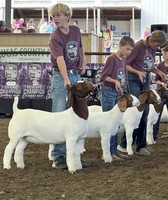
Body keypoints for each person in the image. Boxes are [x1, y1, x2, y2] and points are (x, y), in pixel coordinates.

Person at [48, 3, 86, 169]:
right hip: (61, 75)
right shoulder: (55, 37)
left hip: (75, 73)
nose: (55, 19)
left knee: (76, 113)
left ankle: (74, 153)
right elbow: (60, 59)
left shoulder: (76, 31)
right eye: (53, 16)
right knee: (59, 113)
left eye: (58, 15)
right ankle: (58, 155)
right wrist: (65, 78)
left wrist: (83, 62)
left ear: (67, 16)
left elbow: (80, 48)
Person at [117, 30, 167, 156]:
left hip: (144, 78)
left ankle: (140, 145)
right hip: (134, 79)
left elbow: (148, 66)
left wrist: (157, 71)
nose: (157, 48)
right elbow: (126, 64)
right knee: (135, 111)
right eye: (157, 45)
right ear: (152, 41)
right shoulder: (138, 46)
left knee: (143, 112)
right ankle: (126, 144)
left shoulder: (151, 48)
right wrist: (138, 72)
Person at [100, 36, 135, 160]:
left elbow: (123, 76)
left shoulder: (123, 59)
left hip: (117, 92)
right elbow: (103, 77)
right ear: (120, 46)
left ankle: (113, 150)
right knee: (110, 123)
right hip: (109, 91)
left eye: (130, 50)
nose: (128, 52)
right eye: (127, 49)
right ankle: (108, 152)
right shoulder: (112, 59)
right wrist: (115, 81)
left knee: (115, 124)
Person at [153, 46, 168, 142]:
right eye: (163, 54)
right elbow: (156, 80)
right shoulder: (160, 66)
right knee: (156, 114)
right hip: (161, 92)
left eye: (165, 53)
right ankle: (154, 135)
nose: (163, 55)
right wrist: (161, 83)